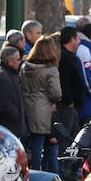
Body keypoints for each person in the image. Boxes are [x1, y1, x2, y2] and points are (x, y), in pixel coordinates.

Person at [21, 36, 63, 173]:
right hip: (43, 109)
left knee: (29, 145)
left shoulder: (25, 67)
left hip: (26, 108)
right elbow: (56, 94)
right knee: (42, 147)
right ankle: (39, 175)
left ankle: (26, 173)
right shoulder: (51, 70)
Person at [0, 46, 28, 140]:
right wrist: (16, 114)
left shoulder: (9, 73)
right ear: (9, 61)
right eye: (18, 59)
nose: (20, 61)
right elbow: (4, 105)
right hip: (6, 128)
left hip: (10, 127)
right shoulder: (1, 76)